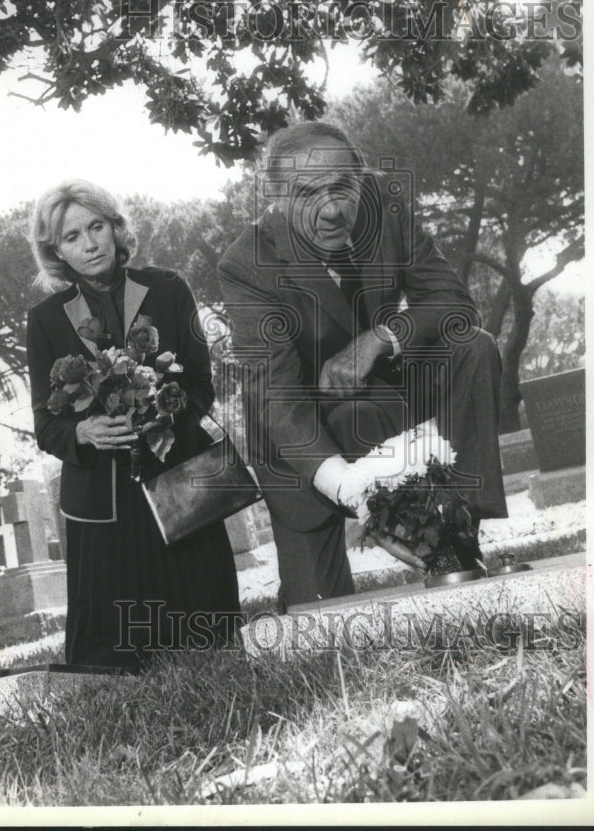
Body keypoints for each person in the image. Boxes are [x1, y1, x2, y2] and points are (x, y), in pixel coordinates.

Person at [218, 121, 508, 611]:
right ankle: (360, 545)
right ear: (276, 196)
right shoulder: (245, 264)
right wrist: (357, 493)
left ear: (362, 177)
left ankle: (455, 528)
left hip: (389, 396)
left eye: (342, 188)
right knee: (318, 617)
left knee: (473, 346)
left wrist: (382, 336)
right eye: (308, 194)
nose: (332, 210)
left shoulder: (384, 204)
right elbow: (277, 395)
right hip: (305, 435)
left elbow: (455, 304)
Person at [27, 180, 240, 669]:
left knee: (210, 648)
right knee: (114, 664)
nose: (90, 243)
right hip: (101, 501)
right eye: (72, 236)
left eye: (96, 226)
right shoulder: (44, 318)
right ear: (55, 251)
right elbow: (44, 423)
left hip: (178, 482)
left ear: (116, 227)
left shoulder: (168, 287)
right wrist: (83, 432)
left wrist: (159, 412)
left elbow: (203, 384)